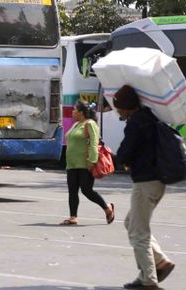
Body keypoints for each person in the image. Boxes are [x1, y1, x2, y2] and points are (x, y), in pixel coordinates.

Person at [114, 85, 175, 290]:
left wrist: (123, 159)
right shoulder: (151, 117)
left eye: (119, 107)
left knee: (139, 232)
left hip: (145, 182)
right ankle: (160, 261)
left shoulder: (136, 123)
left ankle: (148, 280)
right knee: (131, 222)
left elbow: (124, 152)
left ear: (126, 106)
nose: (118, 112)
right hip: (158, 181)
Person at [60, 99, 115, 226]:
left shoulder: (90, 124)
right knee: (72, 190)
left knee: (86, 190)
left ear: (82, 112)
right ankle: (73, 217)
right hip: (72, 164)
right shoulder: (76, 124)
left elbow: (94, 143)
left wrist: (92, 161)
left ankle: (107, 207)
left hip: (86, 163)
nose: (72, 112)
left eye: (75, 109)